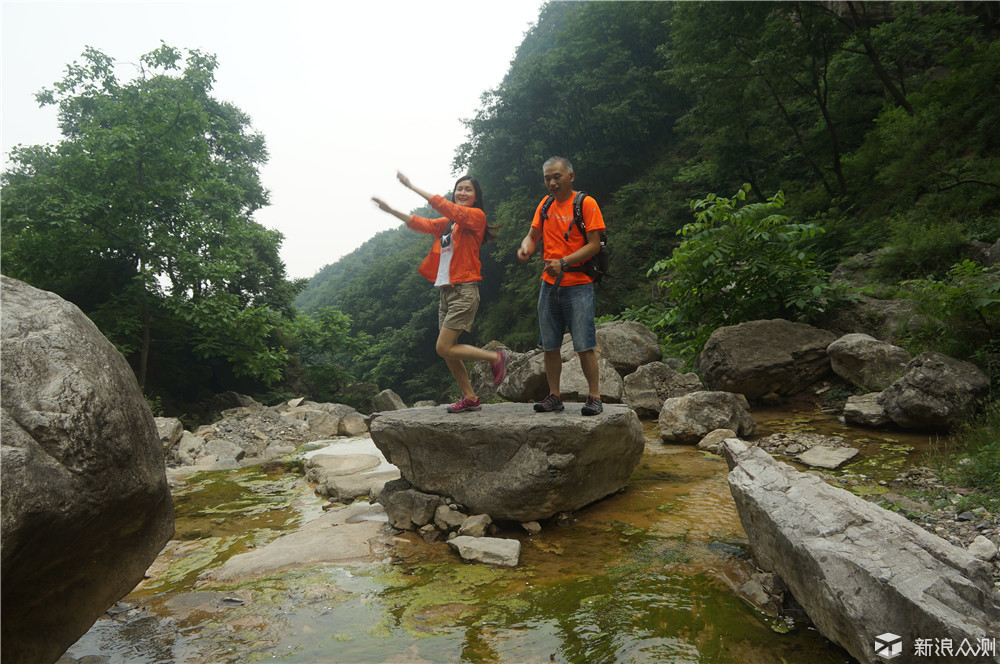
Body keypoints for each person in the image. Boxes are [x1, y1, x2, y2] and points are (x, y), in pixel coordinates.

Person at [372, 172, 507, 413]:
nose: (462, 193)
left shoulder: (476, 217)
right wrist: (391, 210)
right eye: (459, 189)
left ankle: (495, 358)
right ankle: (470, 398)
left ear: (476, 197)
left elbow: (443, 205)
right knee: (448, 352)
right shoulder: (447, 224)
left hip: (465, 290)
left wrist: (412, 186)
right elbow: (421, 223)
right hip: (446, 293)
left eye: (468, 190)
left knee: (443, 347)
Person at [517, 156, 605, 416]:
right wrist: (526, 247)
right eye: (547, 178)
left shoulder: (585, 204)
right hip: (549, 285)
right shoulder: (545, 205)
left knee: (584, 344)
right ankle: (554, 395)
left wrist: (564, 262)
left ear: (570, 176)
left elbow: (594, 244)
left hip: (578, 284)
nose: (552, 183)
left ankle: (595, 396)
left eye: (557, 176)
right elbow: (533, 236)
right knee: (550, 344)